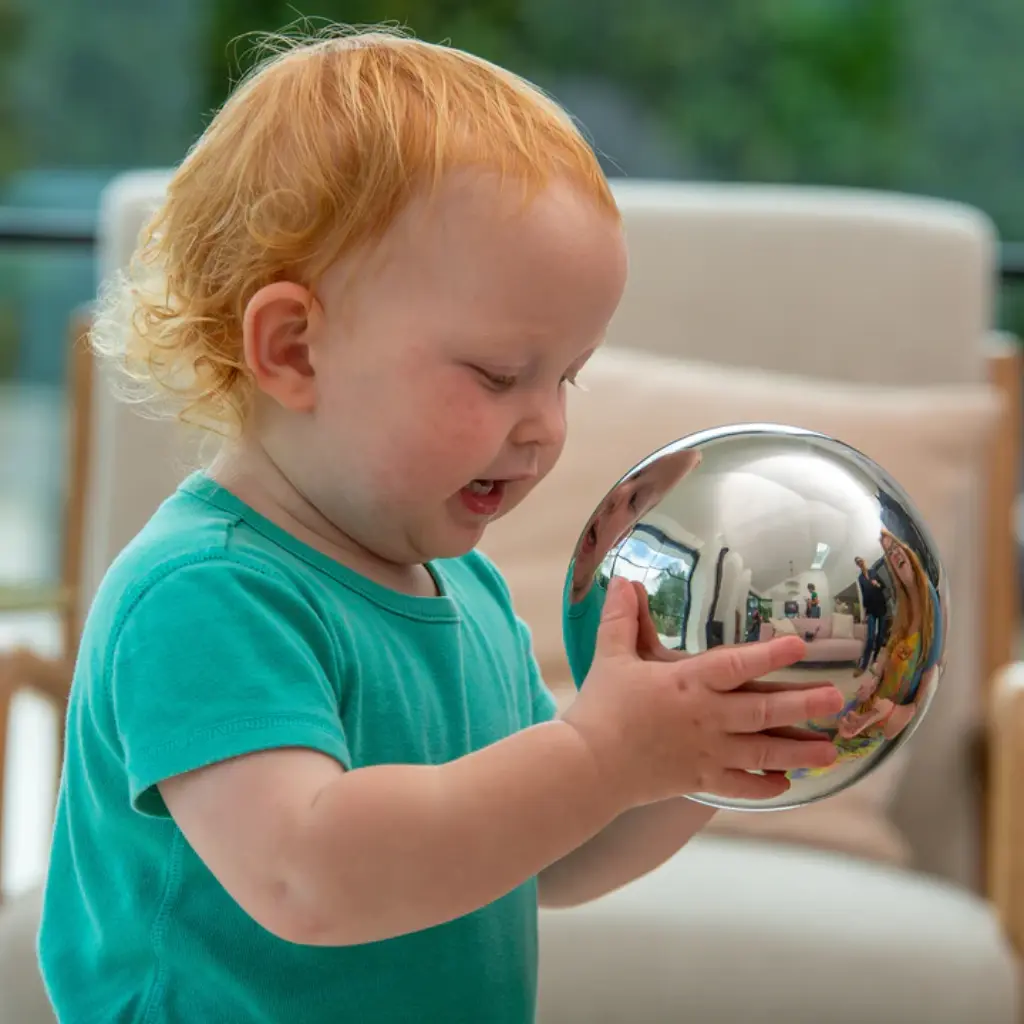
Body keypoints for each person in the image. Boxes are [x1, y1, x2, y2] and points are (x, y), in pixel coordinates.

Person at [36, 27, 844, 1024]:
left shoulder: (463, 591)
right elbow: (309, 872)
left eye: (566, 377)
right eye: (500, 374)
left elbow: (544, 846)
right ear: (293, 350)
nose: (547, 423)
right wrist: (600, 754)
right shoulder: (204, 593)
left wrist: (692, 764)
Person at [853, 554, 887, 676]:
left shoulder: (873, 572)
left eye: (860, 560)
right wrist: (866, 612)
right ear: (857, 565)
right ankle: (863, 666)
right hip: (871, 610)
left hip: (881, 607)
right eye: (857, 562)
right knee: (870, 638)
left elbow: (883, 585)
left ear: (864, 560)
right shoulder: (860, 578)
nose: (859, 563)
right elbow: (864, 595)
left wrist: (877, 584)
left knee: (880, 637)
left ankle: (875, 659)